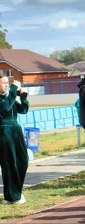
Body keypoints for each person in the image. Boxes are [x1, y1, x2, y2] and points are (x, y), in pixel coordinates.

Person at [0, 76, 29, 205]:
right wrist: (13, 89)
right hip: (4, 131)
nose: (7, 85)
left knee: (23, 161)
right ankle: (12, 196)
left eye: (8, 83)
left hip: (16, 130)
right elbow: (5, 108)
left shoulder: (9, 97)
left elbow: (23, 110)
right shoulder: (6, 99)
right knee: (9, 164)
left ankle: (15, 192)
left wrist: (23, 96)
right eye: (4, 83)